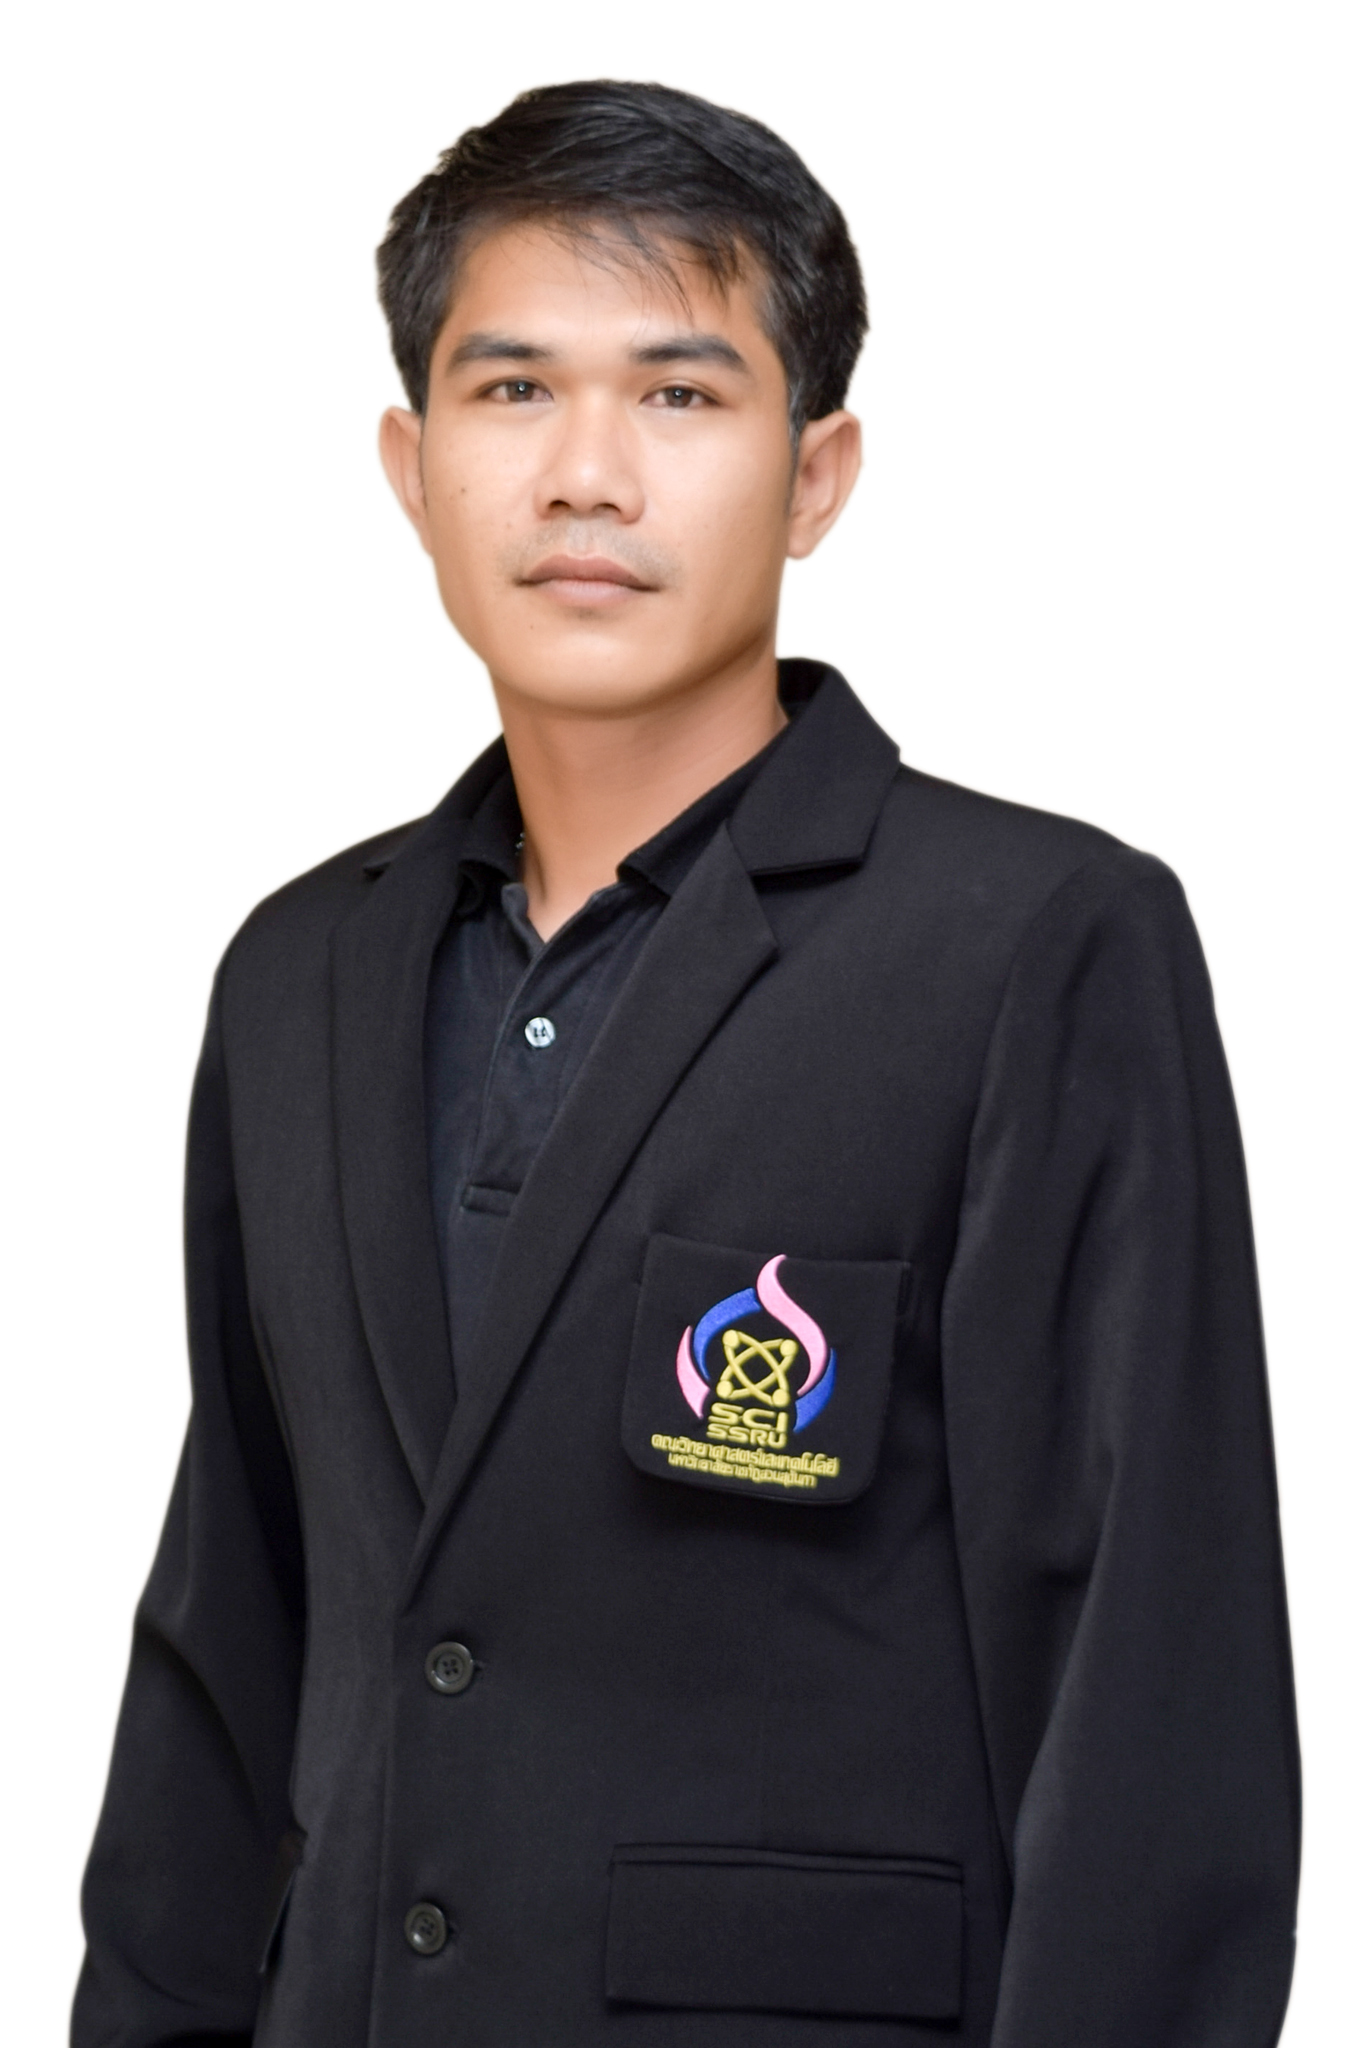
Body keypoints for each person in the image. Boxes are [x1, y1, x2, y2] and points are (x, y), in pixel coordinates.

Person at [73, 79, 1299, 2048]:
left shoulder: (1030, 944)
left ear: (814, 475)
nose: (585, 474)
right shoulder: (298, 972)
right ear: (411, 464)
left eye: (675, 393)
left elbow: (1149, 1690)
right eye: (511, 390)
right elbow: (230, 1635)